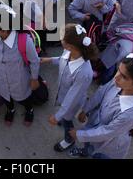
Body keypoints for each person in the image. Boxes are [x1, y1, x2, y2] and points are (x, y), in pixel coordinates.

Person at [69, 50, 133, 159]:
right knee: (89, 145)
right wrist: (86, 109)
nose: (116, 77)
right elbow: (101, 92)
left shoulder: (131, 113)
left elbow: (106, 132)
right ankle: (85, 151)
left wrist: (80, 135)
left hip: (108, 145)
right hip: (95, 127)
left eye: (124, 76)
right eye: (118, 70)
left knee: (98, 155)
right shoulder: (119, 81)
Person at [41, 24, 97, 152]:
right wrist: (49, 60)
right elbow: (62, 60)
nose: (60, 40)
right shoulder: (70, 51)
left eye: (62, 38)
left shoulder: (84, 72)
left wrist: (57, 116)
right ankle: (64, 118)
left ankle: (69, 139)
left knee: (67, 120)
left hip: (71, 104)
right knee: (63, 111)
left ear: (70, 45)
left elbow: (72, 98)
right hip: (63, 95)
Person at [0, 7, 40, 126]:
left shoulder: (24, 41)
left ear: (4, 30)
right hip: (1, 77)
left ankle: (29, 110)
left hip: (19, 79)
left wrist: (34, 79)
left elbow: (34, 61)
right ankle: (10, 109)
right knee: (5, 96)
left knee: (24, 98)